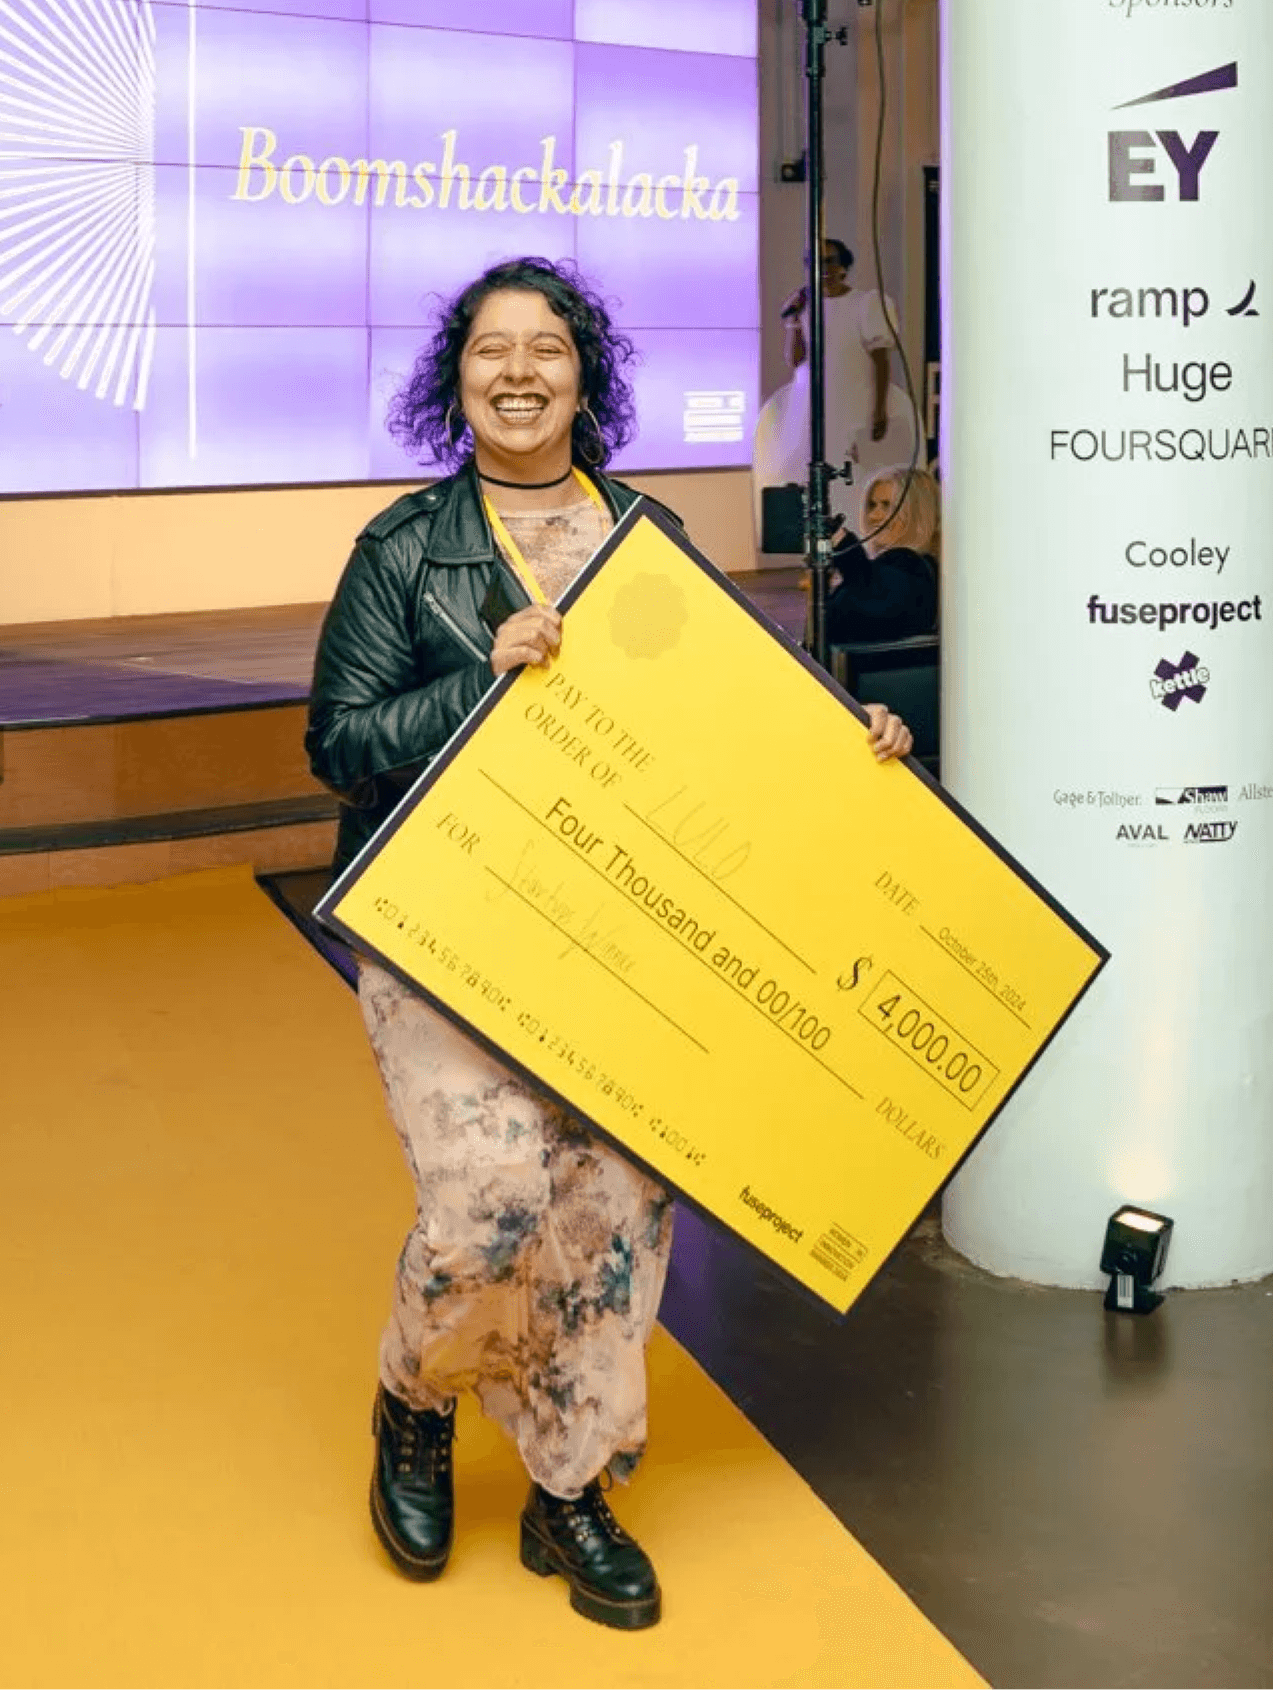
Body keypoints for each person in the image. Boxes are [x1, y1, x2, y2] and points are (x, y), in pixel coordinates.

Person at [305, 257, 914, 1631]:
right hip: (447, 925)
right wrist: (480, 679)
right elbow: (337, 745)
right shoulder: (403, 551)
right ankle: (413, 1402)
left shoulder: (646, 532)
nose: (517, 373)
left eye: (546, 350)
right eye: (488, 351)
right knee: (487, 1198)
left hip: (624, 931)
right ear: (452, 378)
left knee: (619, 1209)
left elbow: (732, 710)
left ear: (587, 374)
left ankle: (570, 1481)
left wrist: (847, 739)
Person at [780, 239, 909, 474]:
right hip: (809, 407)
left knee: (854, 471)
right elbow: (794, 359)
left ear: (844, 266)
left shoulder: (866, 303)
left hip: (855, 403)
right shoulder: (805, 305)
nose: (823, 269)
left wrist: (879, 409)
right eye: (815, 263)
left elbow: (882, 360)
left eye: (830, 261)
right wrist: (793, 320)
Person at [824, 466, 939, 645]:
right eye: (872, 505)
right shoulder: (898, 566)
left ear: (916, 512)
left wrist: (841, 539)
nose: (873, 516)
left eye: (887, 506)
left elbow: (870, 593)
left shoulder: (910, 565)